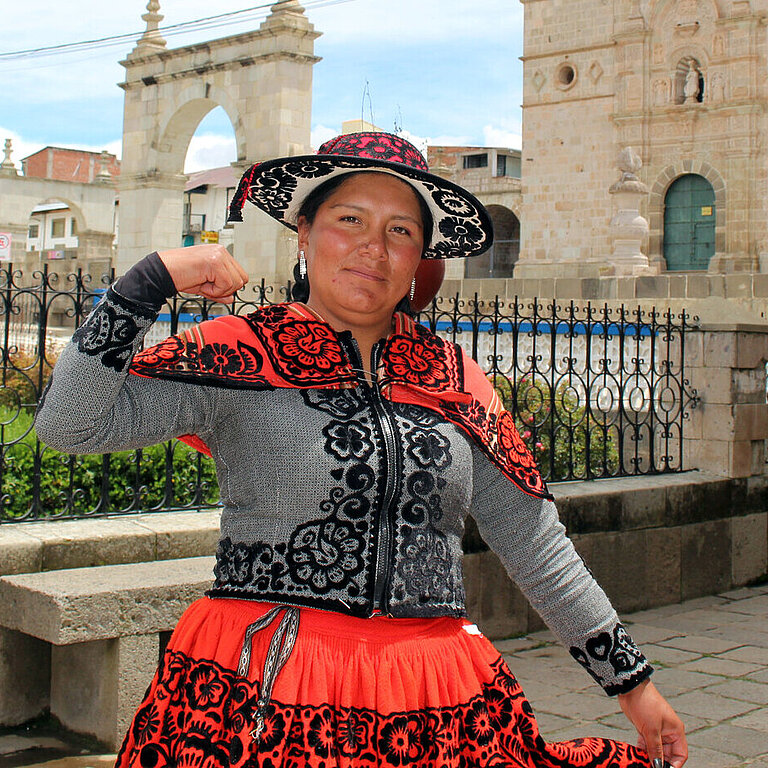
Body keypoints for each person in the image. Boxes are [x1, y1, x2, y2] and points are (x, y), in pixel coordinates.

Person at [35, 132, 687, 768]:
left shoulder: (457, 378)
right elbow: (70, 425)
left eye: (401, 230)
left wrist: (633, 684)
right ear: (305, 234)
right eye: (350, 220)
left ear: (419, 259)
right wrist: (149, 281)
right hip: (265, 686)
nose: (374, 247)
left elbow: (534, 541)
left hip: (434, 698)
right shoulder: (239, 349)